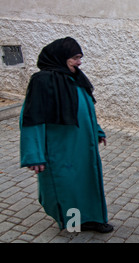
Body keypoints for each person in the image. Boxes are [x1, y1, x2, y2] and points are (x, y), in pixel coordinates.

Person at [19, 37, 113, 233]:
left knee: (87, 183)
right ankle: (74, 223)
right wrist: (34, 155)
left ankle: (91, 218)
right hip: (59, 149)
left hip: (83, 147)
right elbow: (31, 120)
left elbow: (87, 109)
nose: (79, 62)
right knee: (67, 187)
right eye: (75, 58)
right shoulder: (42, 81)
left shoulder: (75, 77)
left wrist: (97, 130)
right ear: (60, 57)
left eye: (80, 58)